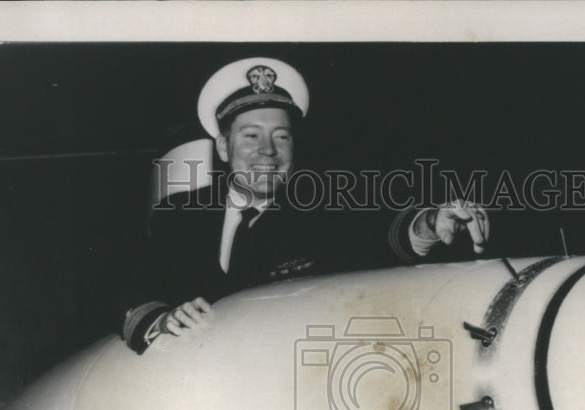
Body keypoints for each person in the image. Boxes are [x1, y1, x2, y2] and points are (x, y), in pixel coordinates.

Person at [122, 57, 488, 354]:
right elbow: (130, 284)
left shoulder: (321, 214)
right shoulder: (182, 214)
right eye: (251, 136)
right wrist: (163, 319)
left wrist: (428, 222)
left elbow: (381, 237)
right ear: (223, 147)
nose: (268, 151)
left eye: (282, 137)